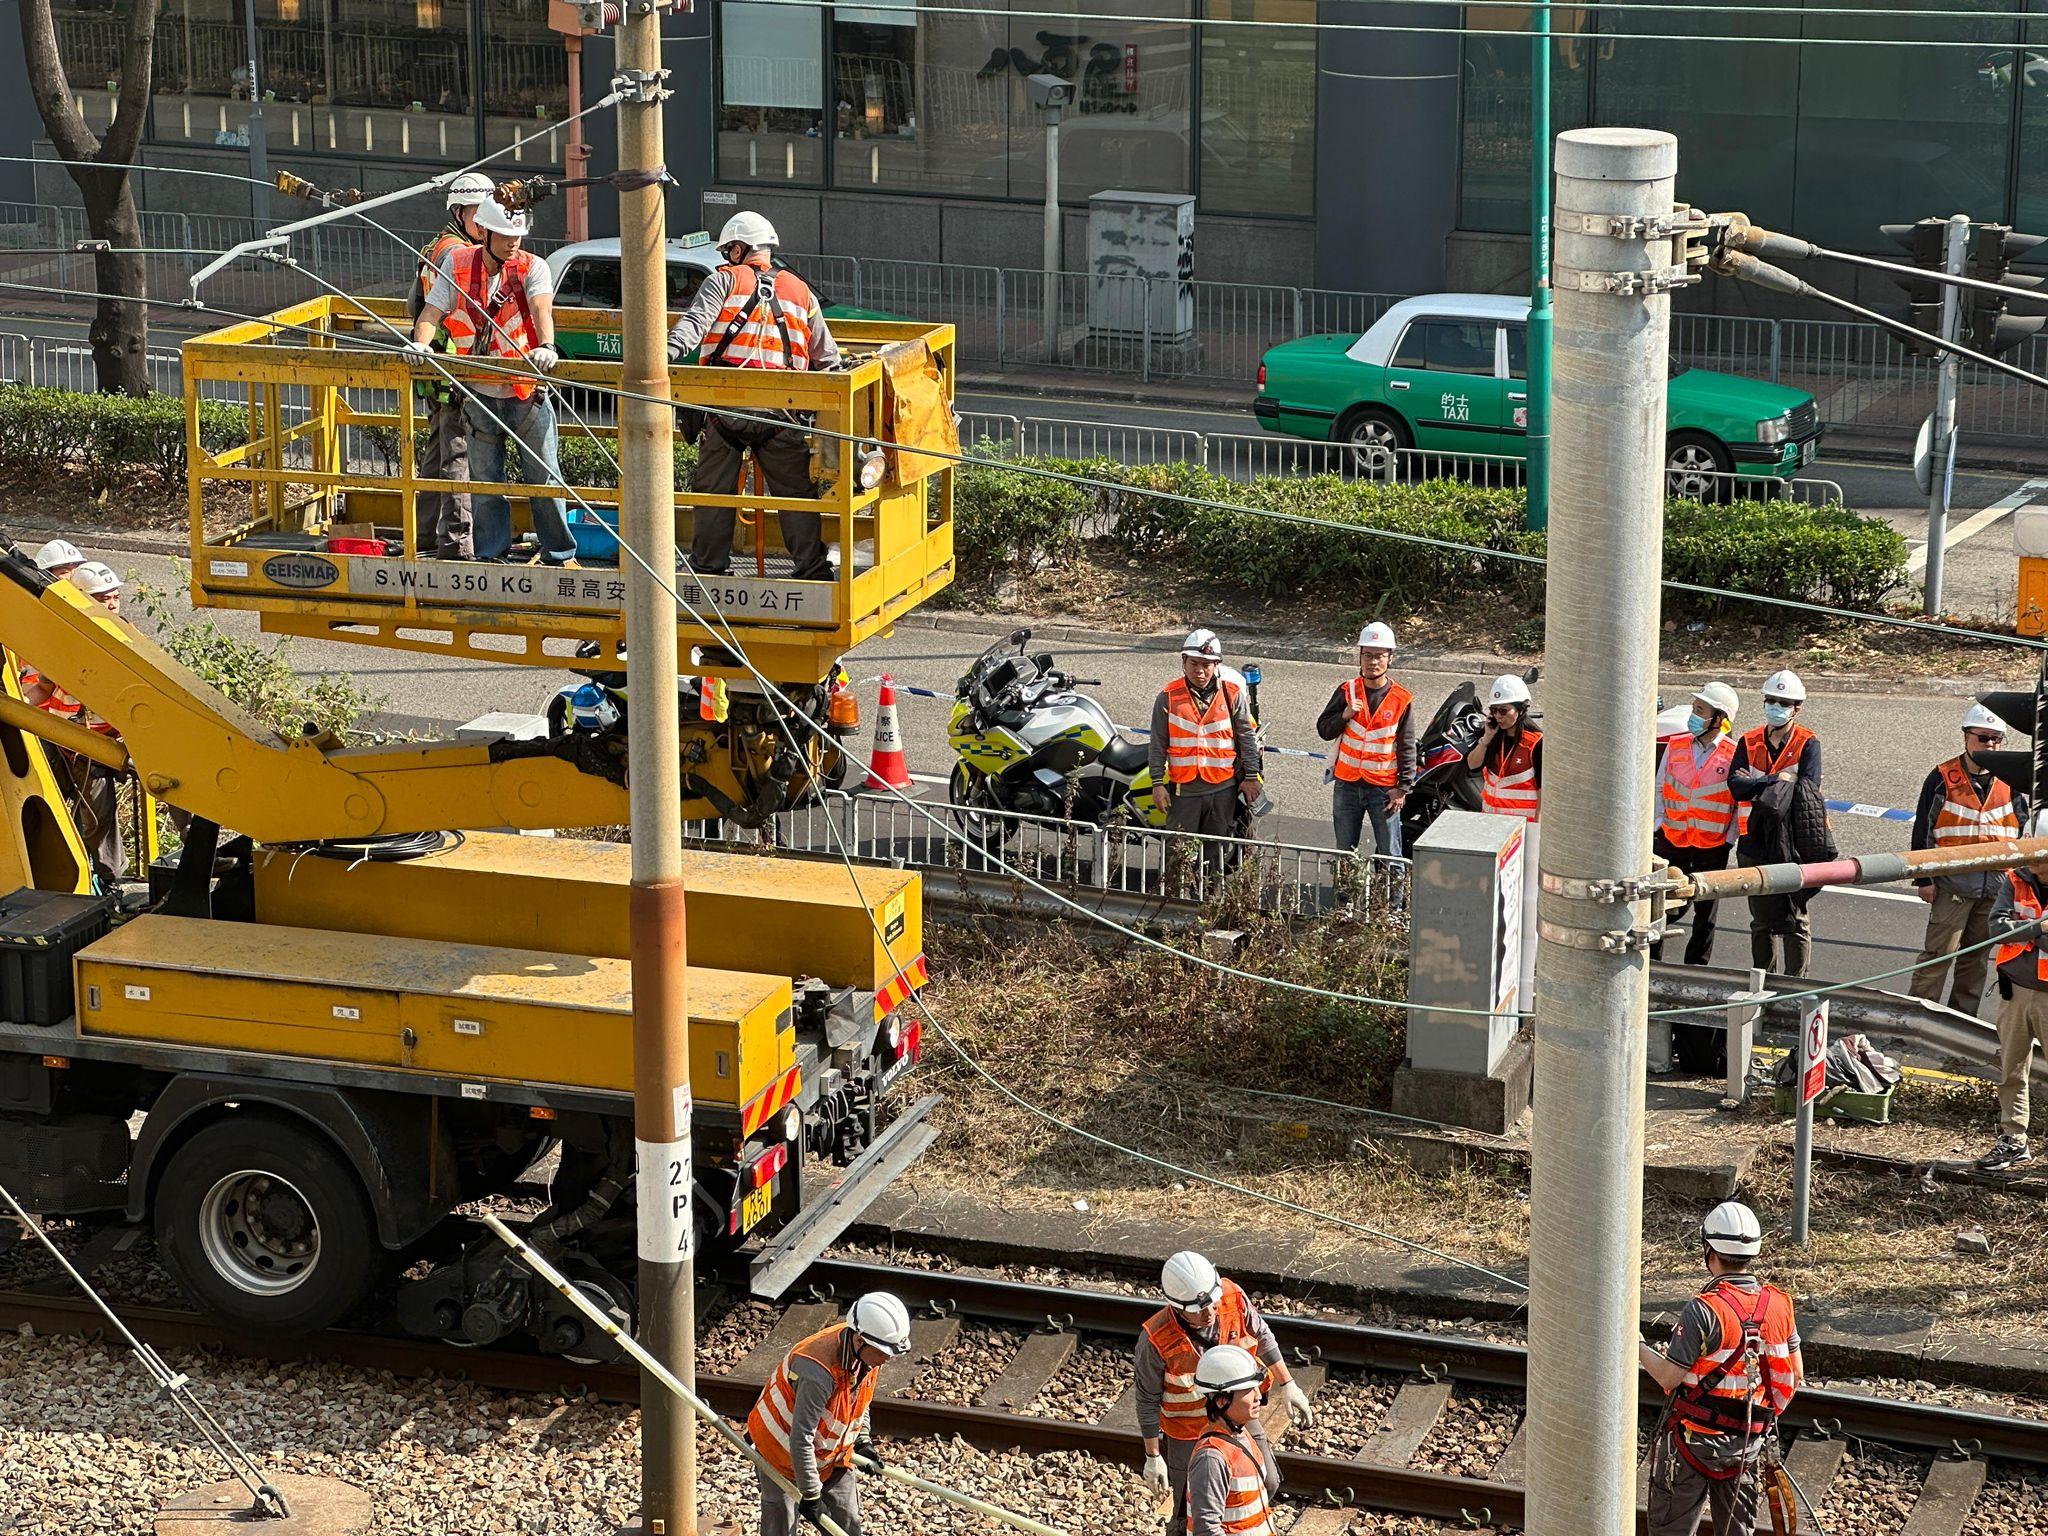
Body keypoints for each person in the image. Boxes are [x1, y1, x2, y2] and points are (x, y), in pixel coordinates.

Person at [666, 212, 843, 582]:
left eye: (729, 248)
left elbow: (693, 327)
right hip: (782, 415)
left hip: (724, 411)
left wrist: (662, 356)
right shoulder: (800, 290)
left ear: (738, 247)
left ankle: (708, 570)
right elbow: (828, 360)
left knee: (714, 494)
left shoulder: (724, 280)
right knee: (795, 496)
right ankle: (812, 570)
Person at [408, 193, 576, 567]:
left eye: (517, 235)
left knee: (544, 479)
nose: (513, 242)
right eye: (504, 235)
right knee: (485, 483)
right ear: (483, 232)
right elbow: (431, 311)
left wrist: (547, 345)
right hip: (479, 391)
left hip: (525, 391)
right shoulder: (458, 263)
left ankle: (559, 555)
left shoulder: (533, 267)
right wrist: (420, 344)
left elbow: (540, 308)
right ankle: (491, 553)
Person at [1639, 1201, 1803, 1536]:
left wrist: (1637, 1347)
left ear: (1708, 1251)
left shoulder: (1703, 1310)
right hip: (1747, 1445)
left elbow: (1669, 1377)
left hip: (1691, 1443)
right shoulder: (1780, 1304)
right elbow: (1795, 1373)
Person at [1136, 1251, 1309, 1532]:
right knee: (1186, 1509)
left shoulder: (1232, 1299)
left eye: (1212, 1304)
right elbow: (1147, 1399)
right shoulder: (1156, 1339)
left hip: (1235, 1413)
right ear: (1176, 1307)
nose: (1210, 1313)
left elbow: (1263, 1337)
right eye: (1198, 1309)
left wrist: (1288, 1384)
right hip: (1186, 1431)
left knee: (1268, 1480)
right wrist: (1153, 1457)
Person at [745, 1290, 908, 1536]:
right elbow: (800, 1439)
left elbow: (860, 1400)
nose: (887, 1359)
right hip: (780, 1453)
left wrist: (863, 1439)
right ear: (859, 1339)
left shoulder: (869, 1355)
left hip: (830, 1454)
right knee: (780, 1525)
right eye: (883, 1352)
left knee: (847, 1520)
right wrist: (811, 1494)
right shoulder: (816, 1370)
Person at [1910, 704, 2026, 1020]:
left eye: (1996, 739)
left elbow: (2024, 831)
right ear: (1966, 737)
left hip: (1997, 887)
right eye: (1983, 738)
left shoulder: (2011, 779)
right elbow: (1924, 829)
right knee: (1938, 956)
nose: (1990, 745)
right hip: (1952, 885)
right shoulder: (1942, 776)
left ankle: (1961, 1023)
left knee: (1975, 961)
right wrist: (1924, 879)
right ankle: (1916, 1019)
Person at [22, 563, 128, 888]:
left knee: (175, 779)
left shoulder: (124, 635)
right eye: (102, 597)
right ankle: (108, 882)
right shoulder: (66, 641)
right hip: (75, 745)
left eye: (115, 597)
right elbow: (42, 687)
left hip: (111, 741)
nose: (111, 604)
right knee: (96, 818)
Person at [405, 170, 490, 556]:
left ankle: (424, 535)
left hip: (438, 367)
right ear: (459, 212)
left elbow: (412, 306)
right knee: (457, 451)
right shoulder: (458, 254)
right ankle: (456, 543)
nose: (487, 224)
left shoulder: (435, 246)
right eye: (479, 214)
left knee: (439, 452)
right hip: (452, 368)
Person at [1729, 670, 1823, 976]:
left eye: (1783, 702)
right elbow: (1735, 785)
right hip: (1754, 840)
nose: (1775, 706)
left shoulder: (1808, 742)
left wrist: (1757, 781)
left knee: (1796, 918)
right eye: (1771, 700)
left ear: (1797, 707)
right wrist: (1777, 779)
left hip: (1792, 842)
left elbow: (1807, 787)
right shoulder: (1749, 740)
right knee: (1761, 922)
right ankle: (1763, 981)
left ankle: (1796, 984)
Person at [1978, 809, 2048, 1171]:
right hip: (2015, 992)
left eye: (2039, 855)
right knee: (2011, 1071)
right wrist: (2038, 928)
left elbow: (2011, 926)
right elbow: (1997, 928)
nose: (2031, 862)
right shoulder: (2015, 878)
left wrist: (2023, 927)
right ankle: (2013, 1138)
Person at [1653, 682, 1741, 966]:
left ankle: (1696, 968)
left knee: (1706, 914)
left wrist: (1729, 838)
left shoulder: (1734, 753)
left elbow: (1738, 802)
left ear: (1719, 718)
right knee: (1660, 906)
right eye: (1694, 708)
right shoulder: (1677, 745)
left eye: (1700, 710)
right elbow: (1659, 786)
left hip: (1711, 845)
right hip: (1672, 839)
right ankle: (1653, 964)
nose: (1694, 714)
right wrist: (1658, 824)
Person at [1149, 630, 1263, 843]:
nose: (1199, 671)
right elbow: (1158, 742)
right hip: (1184, 792)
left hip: (1223, 790)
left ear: (1216, 665)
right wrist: (1157, 784)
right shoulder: (1168, 697)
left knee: (1215, 853)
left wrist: (1250, 777)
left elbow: (1247, 738)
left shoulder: (1232, 695)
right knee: (1178, 855)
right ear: (1184, 662)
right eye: (1194, 663)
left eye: (1206, 665)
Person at [1315, 622, 1413, 856]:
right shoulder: (1347, 690)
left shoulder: (1401, 699)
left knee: (1391, 853)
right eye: (1367, 655)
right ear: (1360, 657)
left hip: (1383, 789)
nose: (1373, 661)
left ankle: (1392, 895)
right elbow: (1324, 729)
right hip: (1347, 785)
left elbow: (1407, 746)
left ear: (1391, 658)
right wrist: (1344, 715)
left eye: (1379, 656)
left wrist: (1402, 788)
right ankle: (1346, 894)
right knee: (1345, 853)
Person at [1182, 1344, 1283, 1536]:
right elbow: (1207, 1530)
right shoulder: (1211, 1458)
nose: (1258, 1396)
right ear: (1221, 1400)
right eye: (1247, 1390)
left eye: (1256, 1388)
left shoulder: (1242, 1434)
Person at [1469, 673, 1541, 821]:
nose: (1498, 716)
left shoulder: (1536, 743)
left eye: (1503, 710)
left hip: (1522, 830)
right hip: (1491, 824)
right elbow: (1472, 765)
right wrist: (1486, 739)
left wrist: (1537, 829)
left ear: (1521, 710)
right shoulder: (1492, 736)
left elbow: (1543, 791)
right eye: (1494, 710)